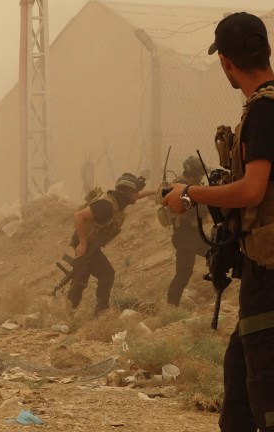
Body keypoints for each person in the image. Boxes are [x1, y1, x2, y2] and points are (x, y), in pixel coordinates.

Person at [162, 12, 274, 431]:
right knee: (239, 372)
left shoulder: (263, 111)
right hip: (261, 266)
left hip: (269, 272)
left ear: (225, 62)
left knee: (263, 384)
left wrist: (191, 194)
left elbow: (253, 190)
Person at [67, 173, 154, 316]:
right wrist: (82, 243)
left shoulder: (120, 200)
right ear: (127, 193)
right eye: (135, 193)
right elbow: (78, 216)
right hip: (85, 242)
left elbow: (138, 195)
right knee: (106, 274)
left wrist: (156, 191)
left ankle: (68, 311)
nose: (137, 196)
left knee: (82, 276)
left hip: (91, 243)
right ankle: (100, 313)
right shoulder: (106, 206)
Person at [163, 156, 210, 306]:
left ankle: (218, 292)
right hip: (185, 237)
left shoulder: (188, 186)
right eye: (200, 173)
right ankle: (171, 306)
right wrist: (208, 198)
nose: (202, 177)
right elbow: (195, 211)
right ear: (194, 173)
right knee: (183, 274)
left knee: (215, 255)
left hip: (195, 235)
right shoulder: (181, 189)